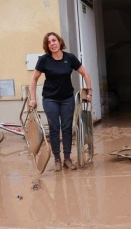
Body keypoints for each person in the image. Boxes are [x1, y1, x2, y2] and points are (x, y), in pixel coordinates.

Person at [29, 32, 92, 172]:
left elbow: (85, 73)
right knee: (54, 128)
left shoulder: (70, 58)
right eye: (49, 42)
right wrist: (33, 99)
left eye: (54, 40)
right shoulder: (44, 60)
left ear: (59, 41)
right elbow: (34, 79)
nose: (52, 43)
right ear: (47, 46)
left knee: (67, 127)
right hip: (50, 98)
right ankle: (57, 159)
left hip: (67, 99)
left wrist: (89, 91)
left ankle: (67, 159)